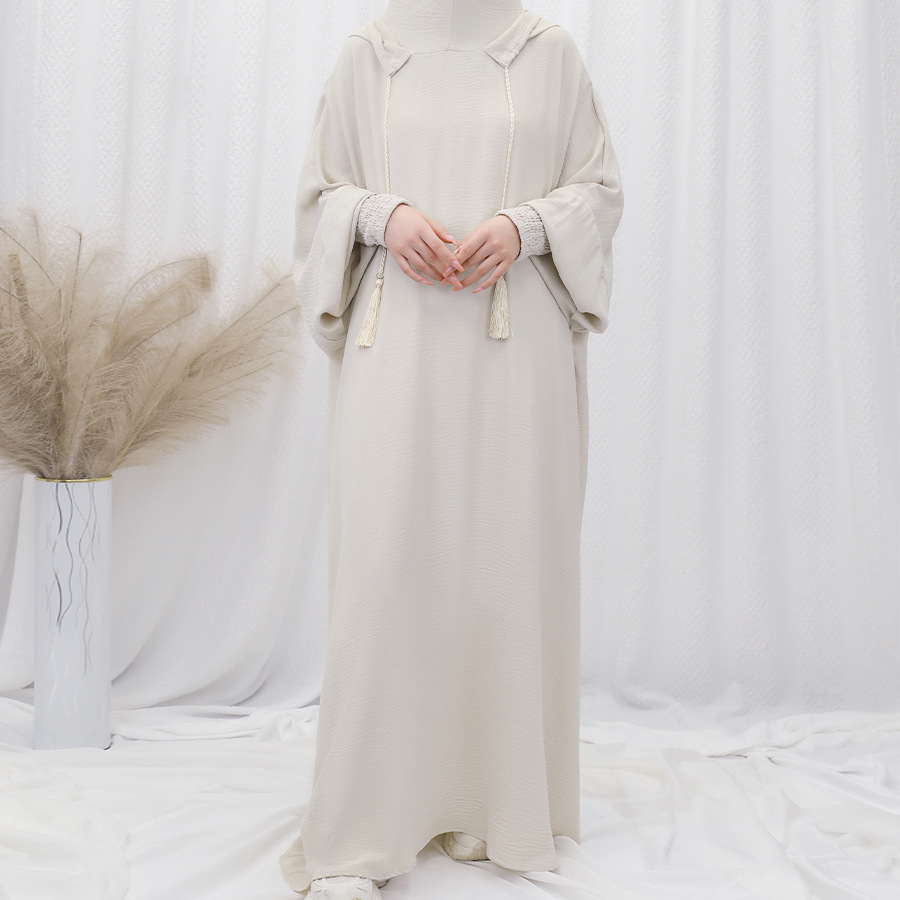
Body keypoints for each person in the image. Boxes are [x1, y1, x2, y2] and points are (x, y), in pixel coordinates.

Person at [279, 1, 624, 897]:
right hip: (397, 345)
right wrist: (380, 214)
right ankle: (370, 816)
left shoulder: (548, 51)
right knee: (387, 569)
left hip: (517, 356)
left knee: (503, 569)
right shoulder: (370, 53)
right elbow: (317, 195)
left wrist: (527, 227)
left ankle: (492, 805)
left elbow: (598, 190)